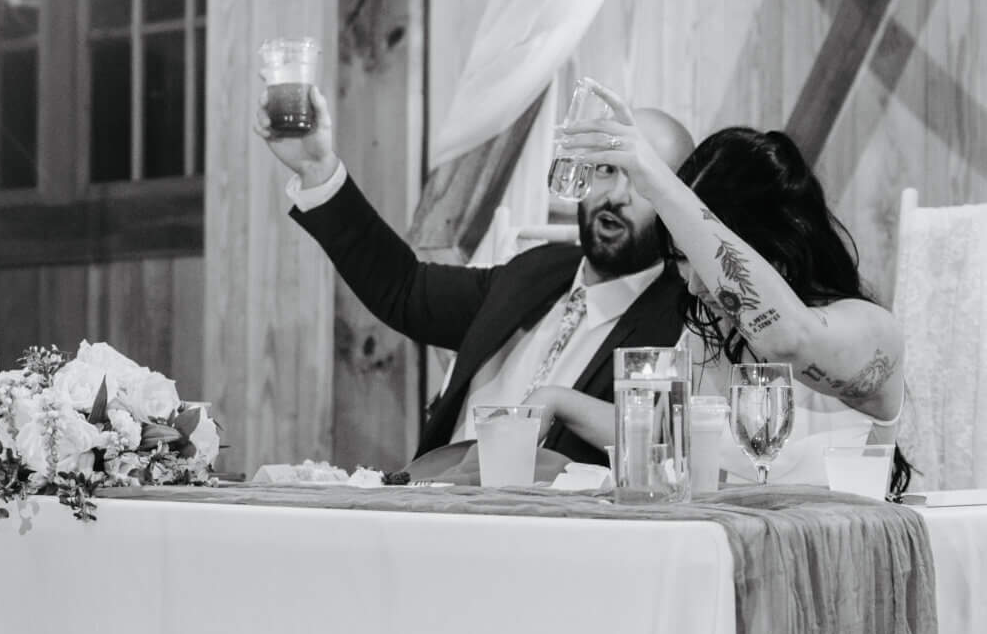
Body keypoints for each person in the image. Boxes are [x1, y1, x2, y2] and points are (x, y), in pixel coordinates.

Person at [258, 83, 696, 467]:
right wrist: (317, 169)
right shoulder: (535, 271)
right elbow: (405, 288)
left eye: (643, 181)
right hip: (433, 503)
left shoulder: (680, 324)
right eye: (606, 168)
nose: (616, 195)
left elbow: (675, 446)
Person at [554, 88, 908, 484]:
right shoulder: (706, 333)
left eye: (705, 263)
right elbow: (666, 444)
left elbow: (786, 340)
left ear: (775, 246)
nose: (693, 286)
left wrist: (656, 181)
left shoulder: (872, 332)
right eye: (682, 258)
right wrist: (558, 401)